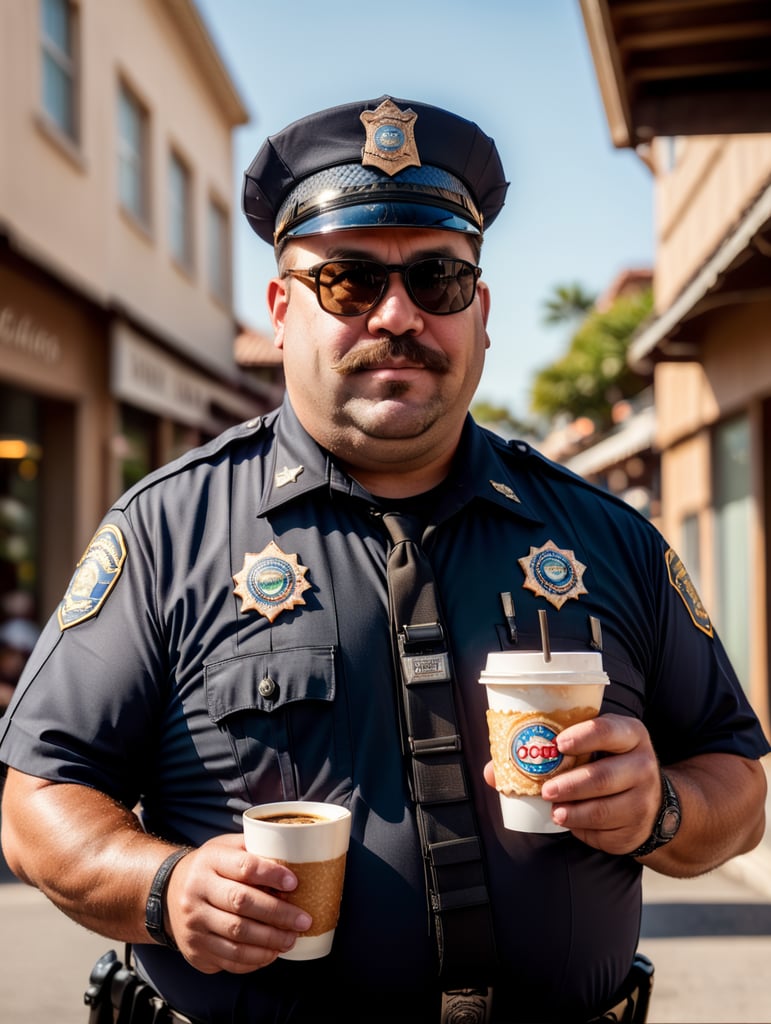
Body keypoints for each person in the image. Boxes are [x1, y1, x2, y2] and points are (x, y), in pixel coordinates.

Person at [0, 94, 768, 1024]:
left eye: (439, 280)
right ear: (282, 310)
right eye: (348, 283)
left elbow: (735, 780)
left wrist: (663, 810)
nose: (397, 315)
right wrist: (165, 889)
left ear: (479, 313)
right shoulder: (169, 530)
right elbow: (41, 797)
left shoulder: (609, 538)